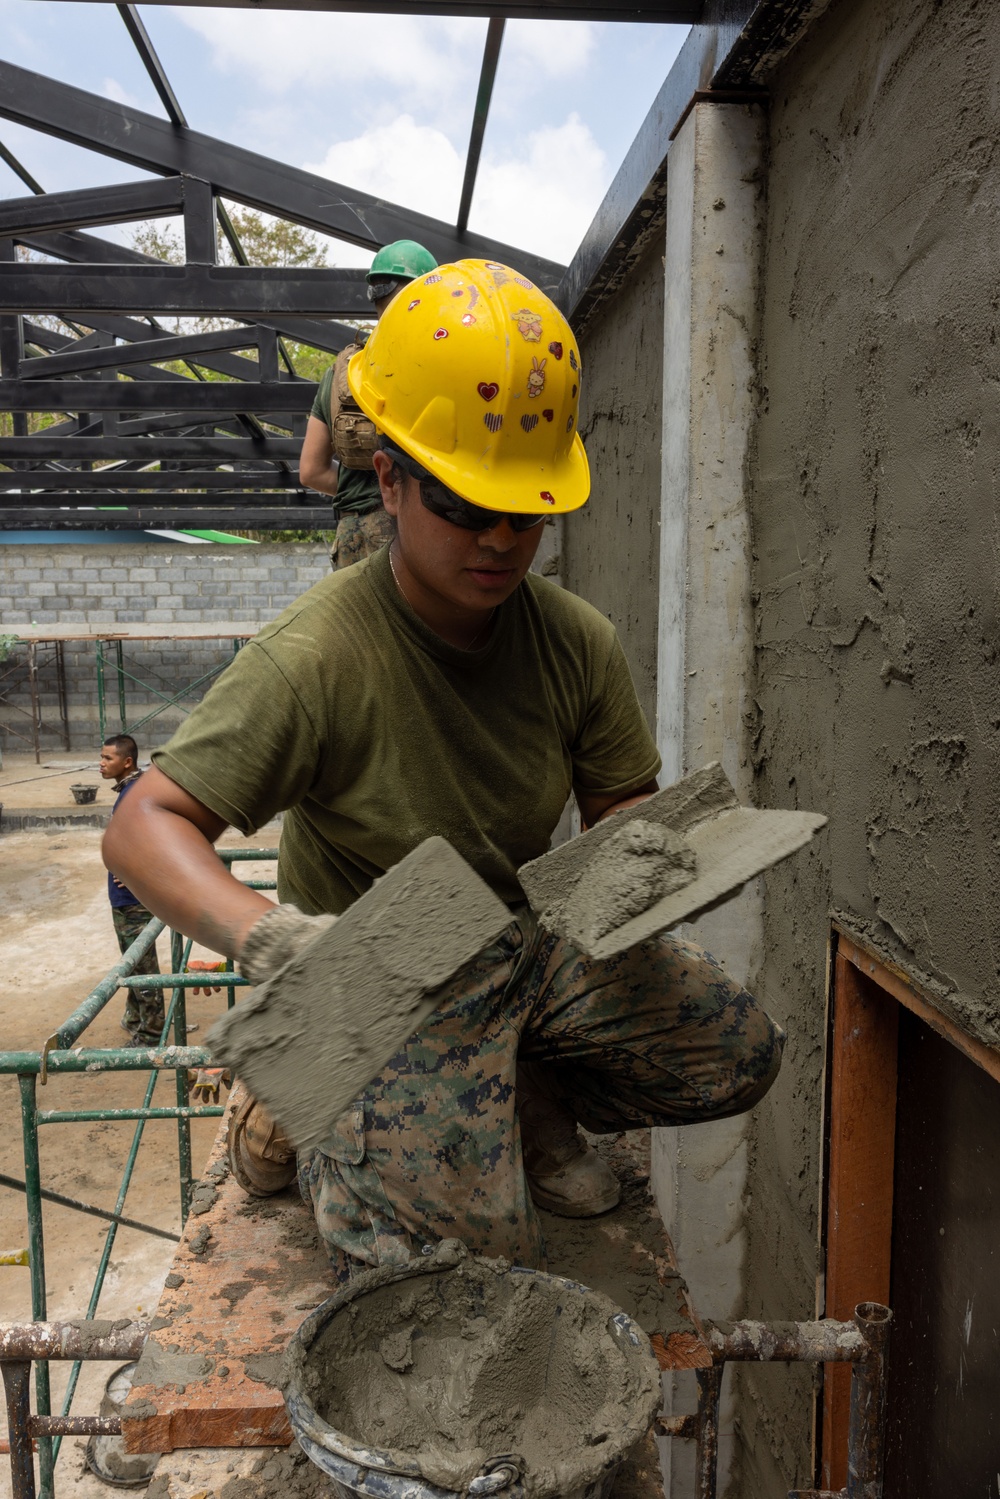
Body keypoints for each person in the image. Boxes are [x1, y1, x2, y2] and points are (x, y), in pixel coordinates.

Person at [103, 260, 783, 1281]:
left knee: (734, 1047)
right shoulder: (318, 652)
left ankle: (519, 1078)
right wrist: (279, 940)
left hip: (509, 948)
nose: (502, 539)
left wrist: (654, 851)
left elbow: (620, 810)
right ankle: (292, 1092)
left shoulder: (574, 641)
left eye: (527, 509)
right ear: (389, 481)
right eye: (465, 504)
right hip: (362, 974)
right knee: (438, 1265)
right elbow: (142, 823)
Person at [298, 239, 438, 570]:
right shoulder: (435, 361)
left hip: (350, 534)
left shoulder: (344, 371)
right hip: (407, 527)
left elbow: (311, 470)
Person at [98, 734, 164, 1047]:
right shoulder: (132, 788)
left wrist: (136, 870)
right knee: (133, 960)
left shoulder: (134, 791)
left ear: (127, 762)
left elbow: (157, 835)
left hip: (133, 900)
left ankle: (151, 1034)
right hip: (125, 897)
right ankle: (135, 1018)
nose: (101, 763)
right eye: (101, 757)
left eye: (107, 758)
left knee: (141, 965)